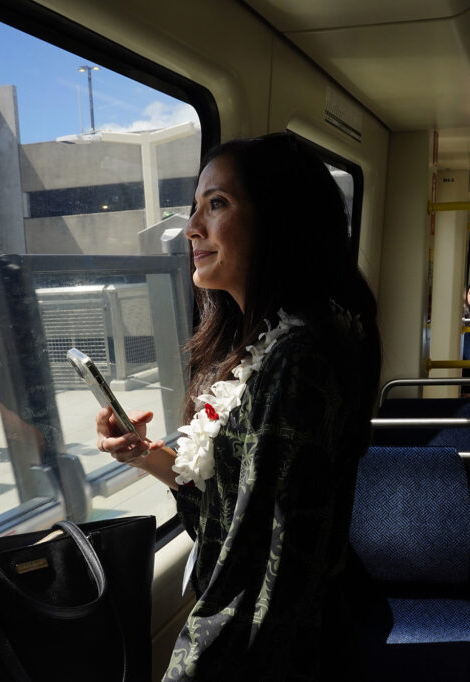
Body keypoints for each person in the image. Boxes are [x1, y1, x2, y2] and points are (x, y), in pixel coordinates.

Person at [93, 133, 381, 681]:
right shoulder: (273, 341)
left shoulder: (299, 363)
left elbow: (263, 572)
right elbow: (234, 501)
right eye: (194, 207)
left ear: (280, 219)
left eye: (217, 204)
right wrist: (147, 455)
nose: (192, 228)